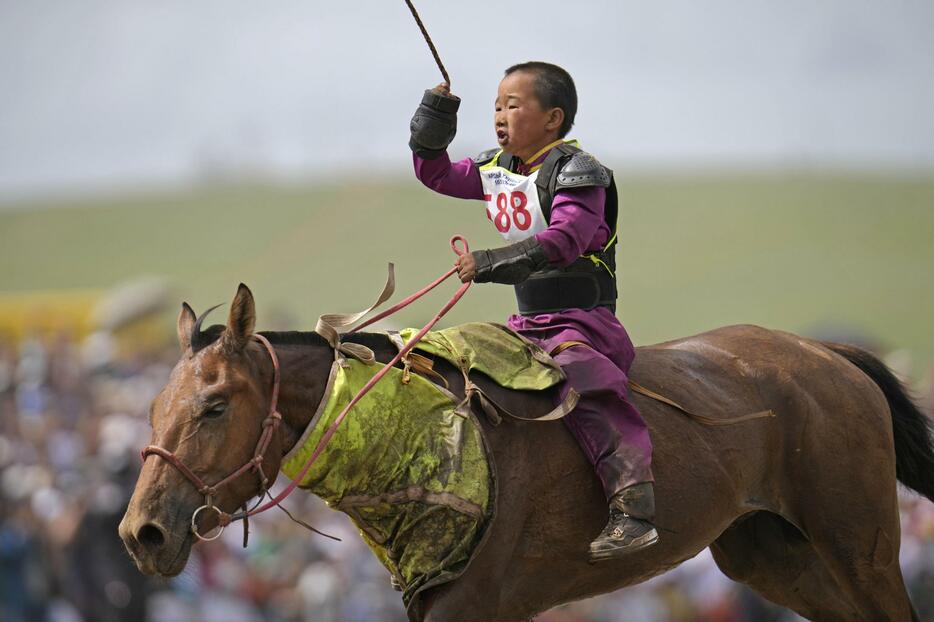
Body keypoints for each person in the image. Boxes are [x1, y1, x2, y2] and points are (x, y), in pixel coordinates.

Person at [408, 61, 656, 560]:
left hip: (583, 322)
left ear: (553, 118)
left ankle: (634, 508)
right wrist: (434, 114)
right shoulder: (497, 168)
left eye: (513, 105)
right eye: (496, 105)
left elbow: (567, 239)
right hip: (526, 323)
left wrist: (490, 262)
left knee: (581, 375)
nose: (500, 115)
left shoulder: (579, 172)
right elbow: (434, 174)